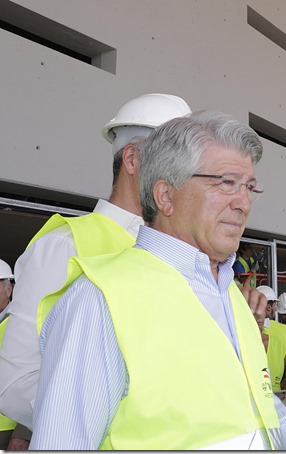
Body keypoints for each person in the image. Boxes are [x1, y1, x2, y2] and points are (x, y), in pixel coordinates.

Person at [29, 110, 286, 450]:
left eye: (250, 187)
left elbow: (254, 402)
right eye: (226, 183)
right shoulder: (100, 301)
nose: (243, 203)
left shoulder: (228, 291)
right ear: (166, 196)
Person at [0, 93, 193, 448]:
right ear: (133, 159)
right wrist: (116, 417)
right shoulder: (65, 247)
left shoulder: (182, 254)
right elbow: (15, 384)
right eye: (175, 163)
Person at [256, 285, 286, 400]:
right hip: (276, 401)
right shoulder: (280, 340)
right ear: (269, 308)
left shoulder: (238, 341)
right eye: (275, 305)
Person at [0, 260, 22, 451]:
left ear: (9, 289)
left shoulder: (24, 323)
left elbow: (41, 375)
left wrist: (24, 432)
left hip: (8, 429)